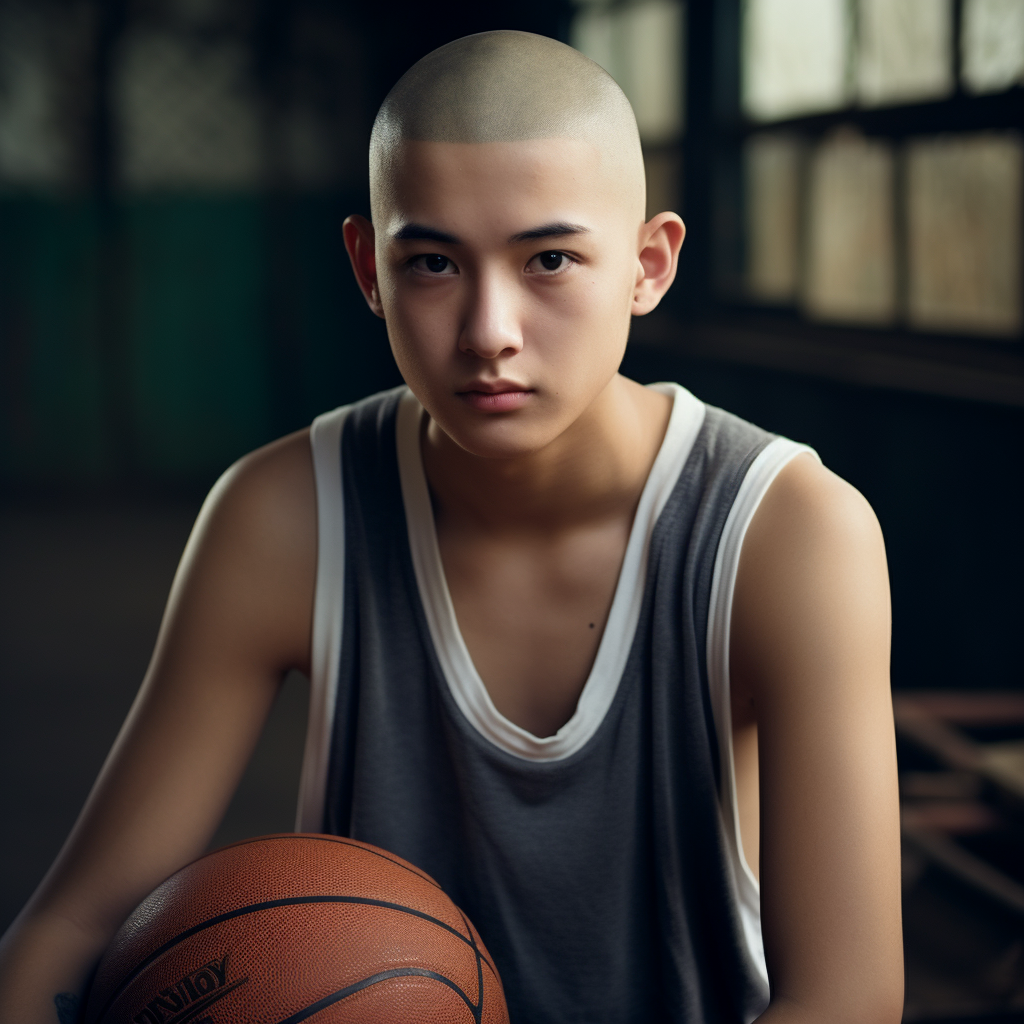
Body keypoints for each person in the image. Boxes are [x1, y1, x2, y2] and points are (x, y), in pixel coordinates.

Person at [0, 30, 902, 1024]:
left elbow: (848, 997)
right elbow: (76, 927)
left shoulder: (788, 532)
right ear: (367, 268)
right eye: (432, 263)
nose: (488, 331)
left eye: (548, 258)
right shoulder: (285, 518)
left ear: (648, 266)